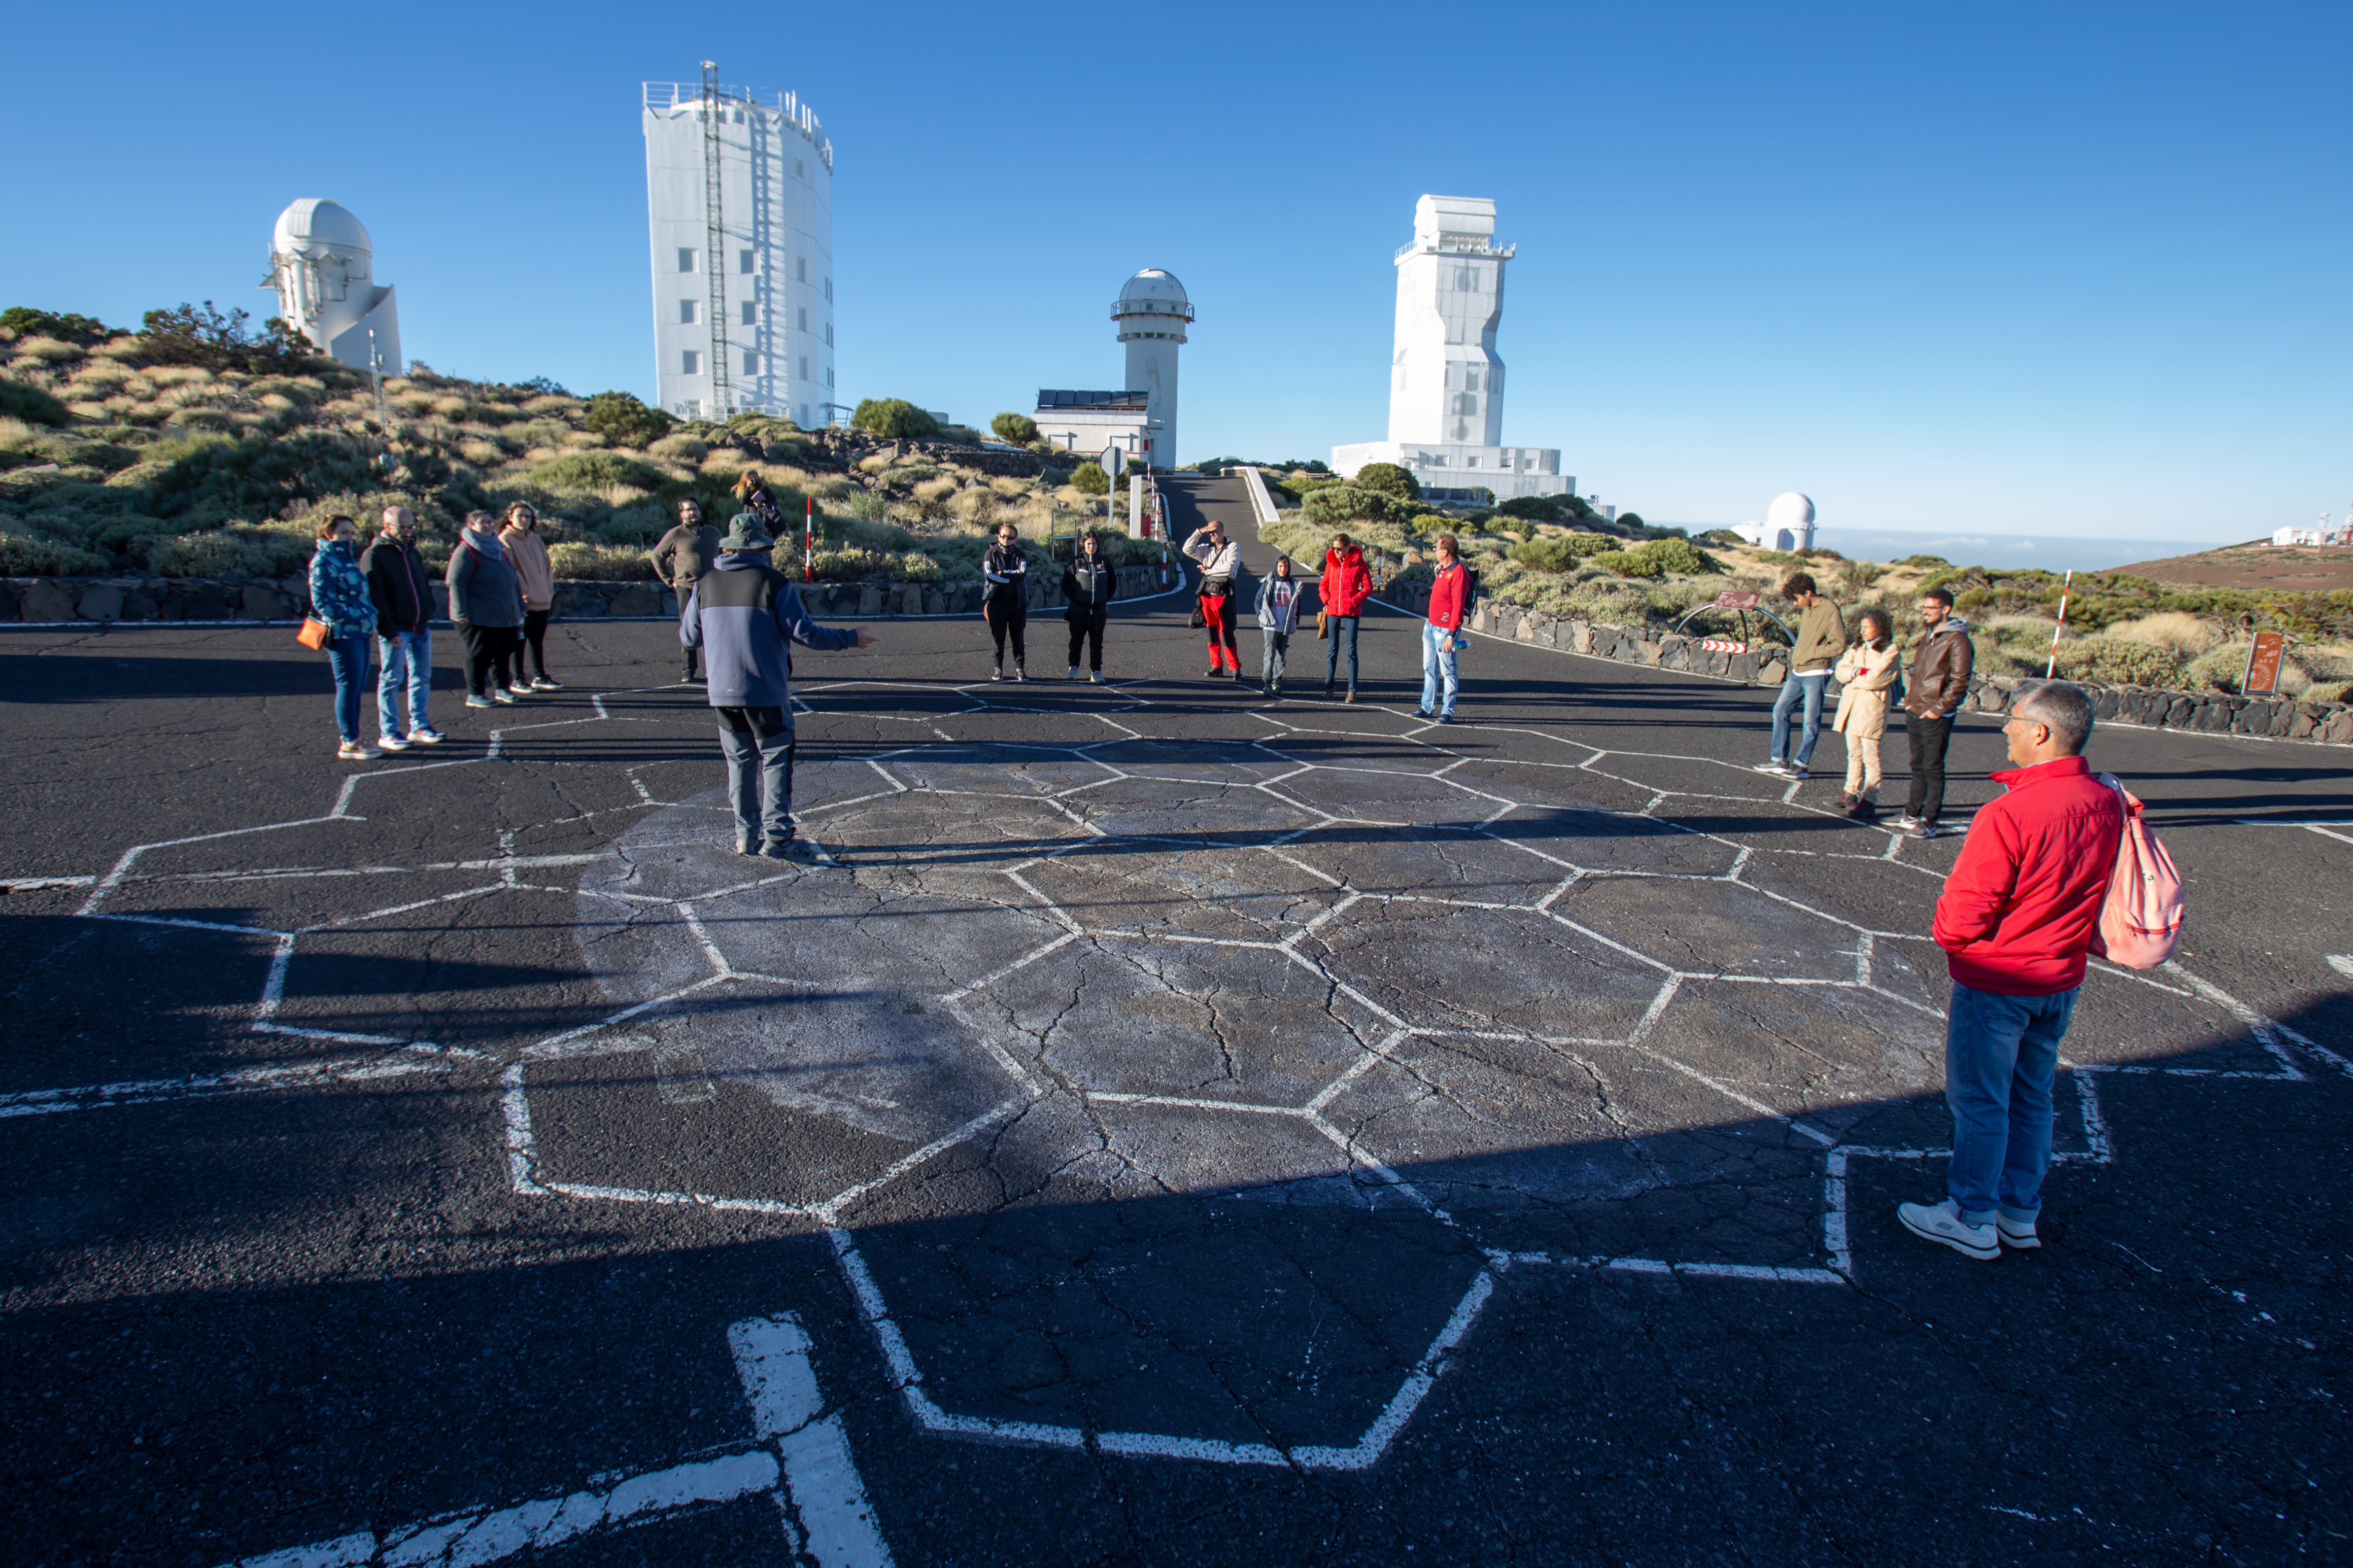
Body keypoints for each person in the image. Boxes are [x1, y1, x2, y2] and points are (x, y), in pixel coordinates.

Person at [1898, 680, 2124, 1260]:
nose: (2005, 729)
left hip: (1999, 977)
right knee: (2031, 1095)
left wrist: (1950, 938)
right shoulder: (2106, 800)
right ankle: (2018, 1210)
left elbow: (1965, 910)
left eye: (2013, 720)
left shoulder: (2010, 812)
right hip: (2059, 975)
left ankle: (1970, 1215)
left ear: (2040, 733)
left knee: (1980, 1100)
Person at [681, 513, 876, 858]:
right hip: (765, 691)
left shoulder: (704, 584)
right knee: (775, 760)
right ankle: (778, 839)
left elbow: (689, 637)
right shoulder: (773, 583)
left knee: (740, 762)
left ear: (729, 547)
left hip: (722, 693)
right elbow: (806, 633)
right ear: (763, 548)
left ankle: (745, 836)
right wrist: (850, 638)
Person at [361, 505, 446, 750]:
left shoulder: (412, 553)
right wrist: (387, 630)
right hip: (396, 629)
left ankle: (419, 725)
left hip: (419, 626)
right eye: (402, 528)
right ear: (387, 527)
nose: (408, 532)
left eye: (411, 527)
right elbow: (375, 596)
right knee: (391, 679)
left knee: (421, 677)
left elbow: (422, 583)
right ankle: (389, 732)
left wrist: (428, 608)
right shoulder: (375, 555)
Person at [1901, 586, 1975, 840]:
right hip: (1916, 709)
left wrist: (1938, 710)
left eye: (1930, 608)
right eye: (1923, 607)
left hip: (1935, 715)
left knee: (1933, 767)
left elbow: (1960, 681)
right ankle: (1911, 813)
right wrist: (1910, 701)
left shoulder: (1957, 640)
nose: (1925, 612)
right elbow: (1918, 672)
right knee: (1917, 765)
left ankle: (1929, 820)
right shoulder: (1929, 636)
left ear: (1946, 609)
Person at [1757, 573, 1846, 779]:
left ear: (1808, 592)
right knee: (1780, 710)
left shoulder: (1830, 610)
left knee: (1810, 721)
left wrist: (1812, 653)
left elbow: (1839, 644)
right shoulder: (1808, 609)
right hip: (1798, 671)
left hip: (1816, 673)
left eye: (1797, 599)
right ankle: (1779, 760)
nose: (1795, 604)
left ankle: (1801, 765)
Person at [310, 514, 379, 760]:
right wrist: (356, 615)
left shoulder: (348, 560)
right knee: (348, 687)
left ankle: (354, 737)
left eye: (351, 532)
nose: (349, 537)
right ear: (329, 534)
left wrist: (369, 615)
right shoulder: (323, 562)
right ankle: (350, 741)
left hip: (360, 631)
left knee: (357, 686)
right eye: (343, 533)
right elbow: (322, 602)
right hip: (343, 634)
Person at [447, 509, 526, 708]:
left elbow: (512, 579)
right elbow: (455, 582)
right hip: (479, 616)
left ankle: (502, 688)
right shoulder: (466, 551)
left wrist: (520, 605)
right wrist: (460, 613)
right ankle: (476, 694)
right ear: (471, 526)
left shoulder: (498, 549)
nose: (488, 525)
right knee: (480, 655)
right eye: (482, 522)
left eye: (490, 522)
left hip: (505, 615)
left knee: (504, 652)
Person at [1829, 608, 1901, 819]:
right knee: (1854, 753)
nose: (1863, 630)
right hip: (1852, 707)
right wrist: (1857, 672)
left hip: (1871, 709)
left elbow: (1876, 679)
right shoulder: (1857, 646)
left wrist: (1854, 678)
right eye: (1862, 626)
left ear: (1880, 627)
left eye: (1868, 626)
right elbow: (1841, 671)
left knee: (1871, 756)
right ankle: (1850, 792)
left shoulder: (1890, 650)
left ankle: (1870, 799)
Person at [649, 498, 721, 684]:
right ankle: (688, 670)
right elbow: (656, 556)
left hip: (711, 588)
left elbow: (724, 555)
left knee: (712, 628)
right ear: (681, 514)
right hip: (686, 589)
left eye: (695, 509)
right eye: (688, 510)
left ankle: (713, 669)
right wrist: (669, 580)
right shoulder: (675, 535)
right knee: (689, 629)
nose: (693, 513)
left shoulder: (713, 532)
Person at [500, 502, 562, 692]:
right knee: (519, 641)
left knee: (537, 640)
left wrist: (548, 589)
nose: (524, 520)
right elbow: (510, 570)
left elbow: (547, 566)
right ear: (510, 517)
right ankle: (518, 679)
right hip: (523, 601)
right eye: (520, 516)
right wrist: (525, 592)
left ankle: (540, 676)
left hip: (542, 599)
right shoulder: (505, 539)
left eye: (528, 516)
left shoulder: (535, 539)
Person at [1417, 534, 1471, 722]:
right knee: (1429, 667)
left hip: (1444, 630)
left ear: (1445, 551)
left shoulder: (1459, 573)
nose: (1435, 552)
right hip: (1431, 625)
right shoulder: (1444, 570)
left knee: (1448, 671)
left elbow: (1458, 606)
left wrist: (1451, 635)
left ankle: (1448, 711)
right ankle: (1427, 706)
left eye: (1437, 549)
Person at [1182, 518, 1243, 679]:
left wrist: (1208, 571)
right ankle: (1216, 665)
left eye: (1214, 531)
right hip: (1207, 595)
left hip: (1224, 595)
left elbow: (1228, 569)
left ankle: (1235, 667)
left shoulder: (1233, 547)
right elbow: (1187, 549)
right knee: (1211, 632)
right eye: (1209, 532)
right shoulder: (1206, 549)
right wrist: (1200, 531)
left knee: (1227, 631)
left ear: (1223, 530)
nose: (1212, 534)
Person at [1319, 532, 1373, 702]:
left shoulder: (1359, 563)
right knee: (1332, 649)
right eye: (1334, 548)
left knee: (1351, 651)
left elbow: (1368, 587)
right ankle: (1329, 687)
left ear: (1348, 547)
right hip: (1333, 611)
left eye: (1339, 548)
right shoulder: (1331, 563)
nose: (1335, 551)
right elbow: (1323, 585)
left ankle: (1352, 690)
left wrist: (1354, 601)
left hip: (1351, 612)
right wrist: (1327, 600)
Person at [1061, 531, 1118, 683]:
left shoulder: (1105, 562)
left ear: (1098, 545)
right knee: (1076, 641)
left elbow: (1113, 582)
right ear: (1083, 545)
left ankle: (1096, 672)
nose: (1091, 546)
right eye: (1088, 544)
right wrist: (1077, 598)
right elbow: (1066, 584)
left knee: (1097, 643)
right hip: (1078, 611)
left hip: (1099, 611)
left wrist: (1104, 598)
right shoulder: (1076, 562)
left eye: (1093, 544)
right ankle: (1073, 668)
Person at [982, 521, 1030, 681]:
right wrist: (1010, 578)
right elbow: (990, 576)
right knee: (998, 638)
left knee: (1018, 638)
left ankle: (1019, 668)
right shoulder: (990, 554)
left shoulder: (1020, 555)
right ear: (998, 536)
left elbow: (1022, 573)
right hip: (997, 603)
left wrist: (1002, 573)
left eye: (1010, 537)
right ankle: (998, 668)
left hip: (1018, 603)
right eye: (1003, 536)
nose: (1006, 539)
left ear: (1015, 539)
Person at [1254, 553, 1304, 698]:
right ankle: (1267, 683)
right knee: (1269, 656)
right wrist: (1261, 617)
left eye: (1286, 566)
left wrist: (1296, 621)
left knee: (1281, 658)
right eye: (1280, 566)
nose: (1283, 569)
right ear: (1276, 566)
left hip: (1285, 627)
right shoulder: (1269, 582)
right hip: (1271, 626)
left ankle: (1277, 683)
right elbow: (1258, 601)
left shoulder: (1293, 584)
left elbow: (1298, 605)